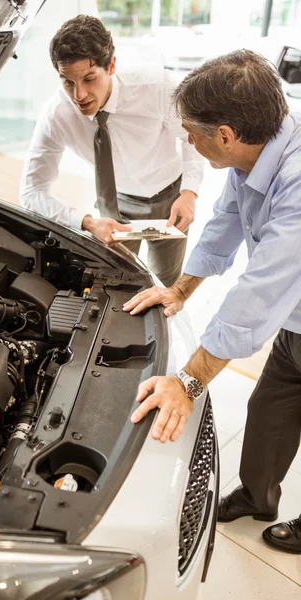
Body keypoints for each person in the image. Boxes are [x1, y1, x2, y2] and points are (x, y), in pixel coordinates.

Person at [122, 49, 301, 554]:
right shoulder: (262, 140)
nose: (188, 142)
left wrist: (189, 381)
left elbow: (259, 291)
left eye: (191, 133)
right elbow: (224, 222)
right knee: (270, 412)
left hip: (290, 299)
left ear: (223, 134)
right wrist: (178, 290)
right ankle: (259, 495)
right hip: (296, 322)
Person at [19, 15, 204, 288]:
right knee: (115, 284)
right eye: (67, 82)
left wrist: (189, 193)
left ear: (112, 65)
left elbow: (193, 137)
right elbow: (31, 192)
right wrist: (87, 222)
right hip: (113, 203)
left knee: (164, 282)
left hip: (170, 198)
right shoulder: (55, 115)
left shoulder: (158, 88)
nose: (78, 95)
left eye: (89, 79)